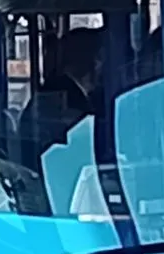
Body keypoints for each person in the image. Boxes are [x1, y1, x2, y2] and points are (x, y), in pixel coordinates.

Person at [18, 27, 102, 164]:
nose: (102, 66)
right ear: (87, 59)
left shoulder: (54, 90)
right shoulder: (63, 100)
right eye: (99, 58)